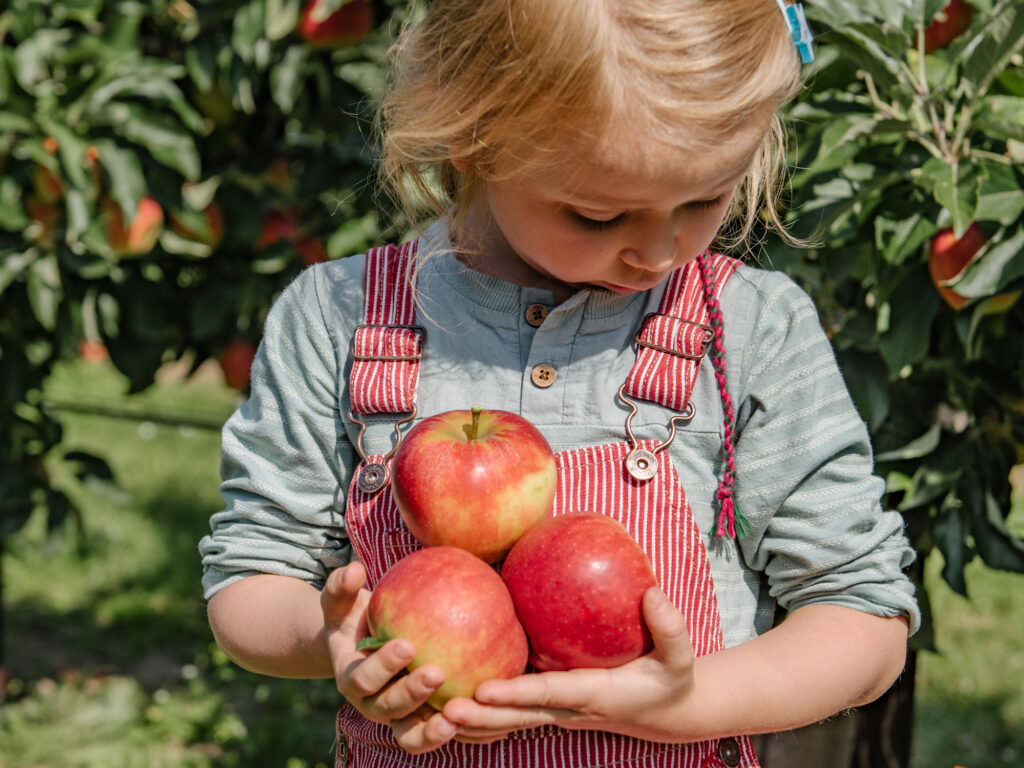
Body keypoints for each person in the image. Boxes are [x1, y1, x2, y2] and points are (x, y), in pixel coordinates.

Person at [200, 1, 919, 765]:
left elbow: (864, 617)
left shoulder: (744, 328)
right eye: (598, 214)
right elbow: (250, 581)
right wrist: (341, 639)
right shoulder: (343, 321)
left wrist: (690, 702)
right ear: (470, 137)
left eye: (707, 199)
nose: (659, 250)